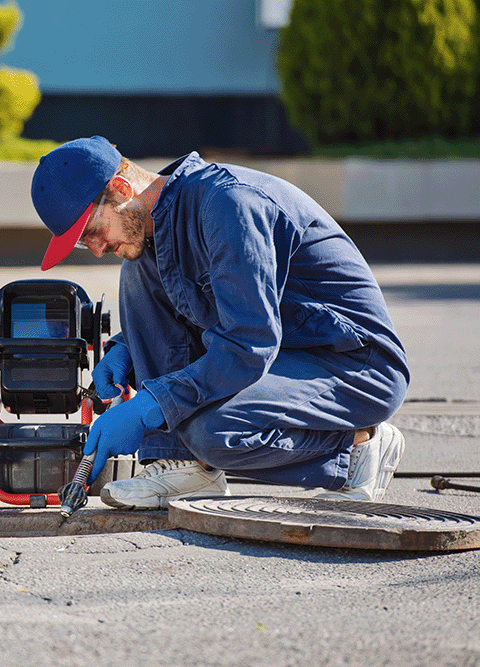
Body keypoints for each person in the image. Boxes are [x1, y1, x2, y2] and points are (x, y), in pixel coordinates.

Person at [30, 136, 410, 509]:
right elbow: (197, 310)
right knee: (137, 267)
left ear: (120, 187)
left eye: (91, 233)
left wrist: (154, 402)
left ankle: (360, 444)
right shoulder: (156, 225)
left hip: (353, 363)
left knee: (215, 433)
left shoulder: (229, 205)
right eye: (82, 243)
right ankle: (184, 466)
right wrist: (127, 348)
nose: (95, 250)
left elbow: (249, 343)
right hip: (282, 352)